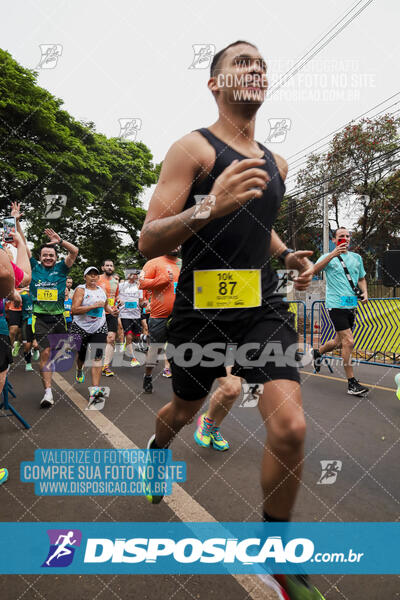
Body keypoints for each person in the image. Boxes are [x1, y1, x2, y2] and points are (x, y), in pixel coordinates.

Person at [138, 41, 322, 600]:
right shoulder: (192, 148)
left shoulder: (277, 163)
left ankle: (276, 553)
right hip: (200, 311)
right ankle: (157, 451)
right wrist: (207, 205)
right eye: (242, 62)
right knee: (183, 408)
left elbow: (255, 223)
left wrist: (287, 253)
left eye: (262, 64)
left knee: (290, 428)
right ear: (215, 83)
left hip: (259, 308)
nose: (256, 69)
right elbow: (149, 237)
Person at [12, 201, 79, 408]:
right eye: (45, 255)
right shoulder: (34, 267)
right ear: (39, 258)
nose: (48, 257)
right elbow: (23, 244)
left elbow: (74, 251)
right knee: (46, 354)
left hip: (59, 317)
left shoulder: (62, 268)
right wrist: (16, 222)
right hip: (40, 318)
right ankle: (48, 393)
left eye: (51, 255)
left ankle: (58, 368)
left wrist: (59, 242)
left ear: (55, 257)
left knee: (60, 355)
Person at [312, 227, 369, 396]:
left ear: (350, 239)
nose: (344, 238)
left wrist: (365, 292)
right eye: (341, 236)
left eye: (347, 236)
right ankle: (352, 383)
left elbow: (361, 278)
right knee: (348, 341)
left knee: (338, 341)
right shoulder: (328, 257)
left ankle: (318, 352)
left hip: (351, 305)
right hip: (335, 304)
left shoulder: (357, 258)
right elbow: (315, 270)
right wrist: (332, 255)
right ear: (334, 240)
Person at [138, 251, 181, 393]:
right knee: (155, 350)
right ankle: (148, 375)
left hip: (180, 316)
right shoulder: (154, 262)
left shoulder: (183, 263)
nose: (176, 245)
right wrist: (161, 280)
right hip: (159, 315)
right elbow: (142, 283)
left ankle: (180, 385)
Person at [71, 267, 111, 409]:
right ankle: (79, 369)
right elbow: (74, 310)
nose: (93, 277)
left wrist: (113, 311)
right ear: (85, 277)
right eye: (90, 275)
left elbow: (106, 306)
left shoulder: (102, 290)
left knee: (97, 357)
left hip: (99, 327)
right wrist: (92, 306)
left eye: (95, 275)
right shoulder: (81, 290)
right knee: (81, 354)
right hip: (81, 327)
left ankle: (95, 392)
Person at [98, 259, 120, 376]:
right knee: (100, 339)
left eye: (111, 266)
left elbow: (116, 296)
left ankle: (106, 366)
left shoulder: (116, 282)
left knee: (111, 338)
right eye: (107, 265)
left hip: (112, 313)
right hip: (98, 313)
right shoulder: (97, 279)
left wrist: (118, 301)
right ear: (103, 268)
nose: (109, 267)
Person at [118, 271, 143, 367]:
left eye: (137, 274)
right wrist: (118, 300)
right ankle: (133, 358)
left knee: (136, 337)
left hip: (136, 315)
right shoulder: (121, 285)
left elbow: (140, 302)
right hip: (125, 314)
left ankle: (128, 344)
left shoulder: (139, 287)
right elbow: (116, 295)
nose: (135, 275)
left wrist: (144, 304)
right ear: (128, 275)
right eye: (133, 273)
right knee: (128, 336)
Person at [20, 288, 40, 371]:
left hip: (38, 321)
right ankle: (28, 363)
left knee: (36, 344)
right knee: (27, 346)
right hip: (27, 320)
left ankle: (36, 349)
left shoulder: (39, 296)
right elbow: (11, 296)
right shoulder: (24, 296)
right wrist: (23, 289)